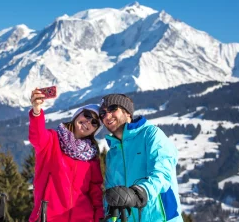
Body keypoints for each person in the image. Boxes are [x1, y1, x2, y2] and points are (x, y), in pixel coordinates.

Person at [99, 94, 183, 222]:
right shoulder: (113, 153)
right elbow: (111, 196)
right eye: (102, 113)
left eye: (112, 109)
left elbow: (162, 173)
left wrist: (139, 193)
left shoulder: (151, 134)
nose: (107, 116)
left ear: (127, 112)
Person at [28, 88, 104, 222]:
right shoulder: (52, 140)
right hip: (47, 217)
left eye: (94, 122)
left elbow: (95, 194)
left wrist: (99, 219)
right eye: (87, 115)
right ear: (77, 115)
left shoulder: (91, 158)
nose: (88, 122)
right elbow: (37, 136)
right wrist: (37, 111)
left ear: (95, 130)